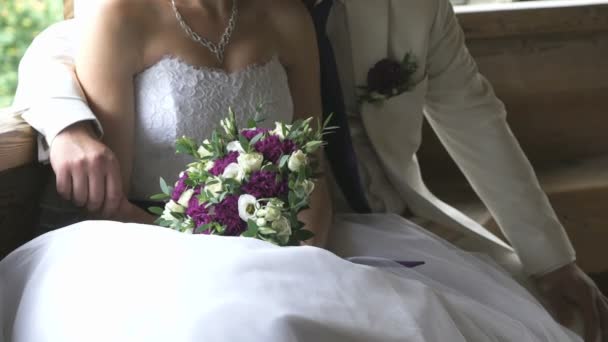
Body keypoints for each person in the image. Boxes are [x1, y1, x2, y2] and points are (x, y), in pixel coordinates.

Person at [3, 0, 605, 340]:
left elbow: (474, 113)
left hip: (361, 220)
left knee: (516, 318)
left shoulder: (389, 10)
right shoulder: (128, 15)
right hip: (170, 243)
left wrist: (553, 258)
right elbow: (55, 53)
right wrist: (70, 127)